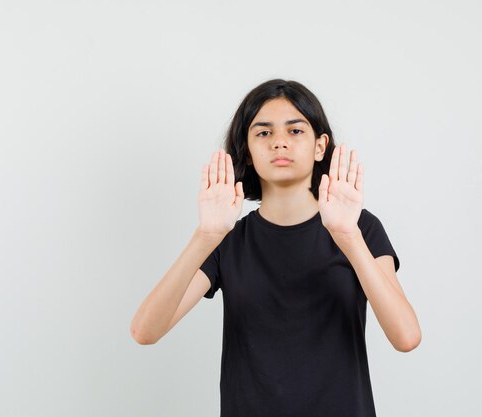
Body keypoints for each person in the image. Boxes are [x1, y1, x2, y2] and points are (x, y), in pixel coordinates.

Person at [130, 79, 421, 416]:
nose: (279, 142)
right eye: (263, 133)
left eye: (295, 131)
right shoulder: (229, 239)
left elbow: (406, 337)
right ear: (247, 151)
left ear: (320, 146)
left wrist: (348, 237)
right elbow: (145, 331)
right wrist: (206, 236)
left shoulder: (360, 227)